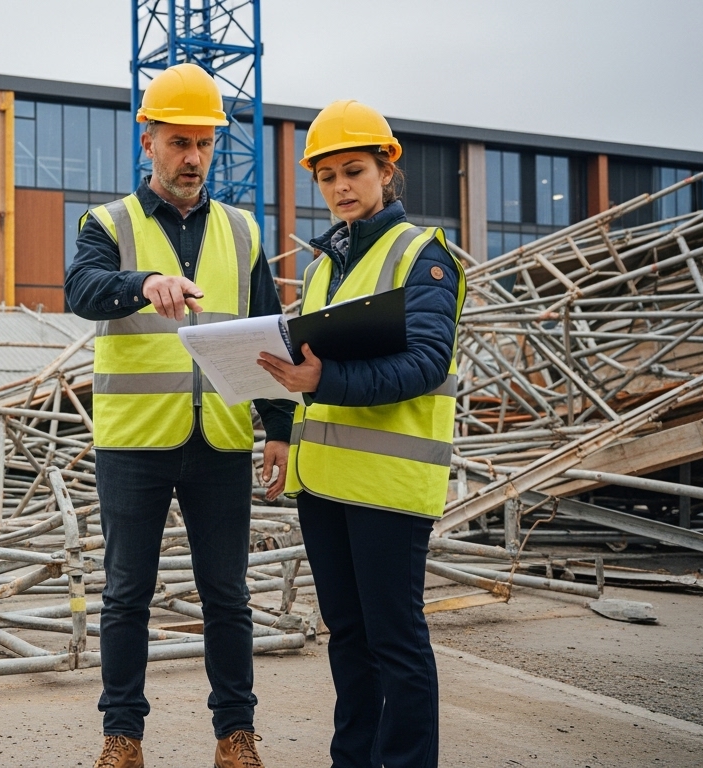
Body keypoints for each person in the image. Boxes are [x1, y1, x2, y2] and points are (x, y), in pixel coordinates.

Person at [64, 63, 291, 768]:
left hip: (220, 439)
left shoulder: (244, 230)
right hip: (135, 442)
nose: (192, 158)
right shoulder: (108, 224)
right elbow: (83, 289)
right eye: (177, 142)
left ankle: (236, 735)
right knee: (126, 592)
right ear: (148, 141)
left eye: (203, 143)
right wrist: (143, 283)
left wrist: (279, 429)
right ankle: (122, 738)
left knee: (227, 594)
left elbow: (269, 331)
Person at [257, 100, 466, 768]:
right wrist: (284, 424)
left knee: (396, 642)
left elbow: (426, 364)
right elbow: (307, 367)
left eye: (355, 171)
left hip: (389, 488)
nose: (341, 186)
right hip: (326, 484)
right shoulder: (323, 267)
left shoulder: (421, 257)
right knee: (346, 637)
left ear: (386, 171)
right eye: (327, 177)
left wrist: (324, 380)